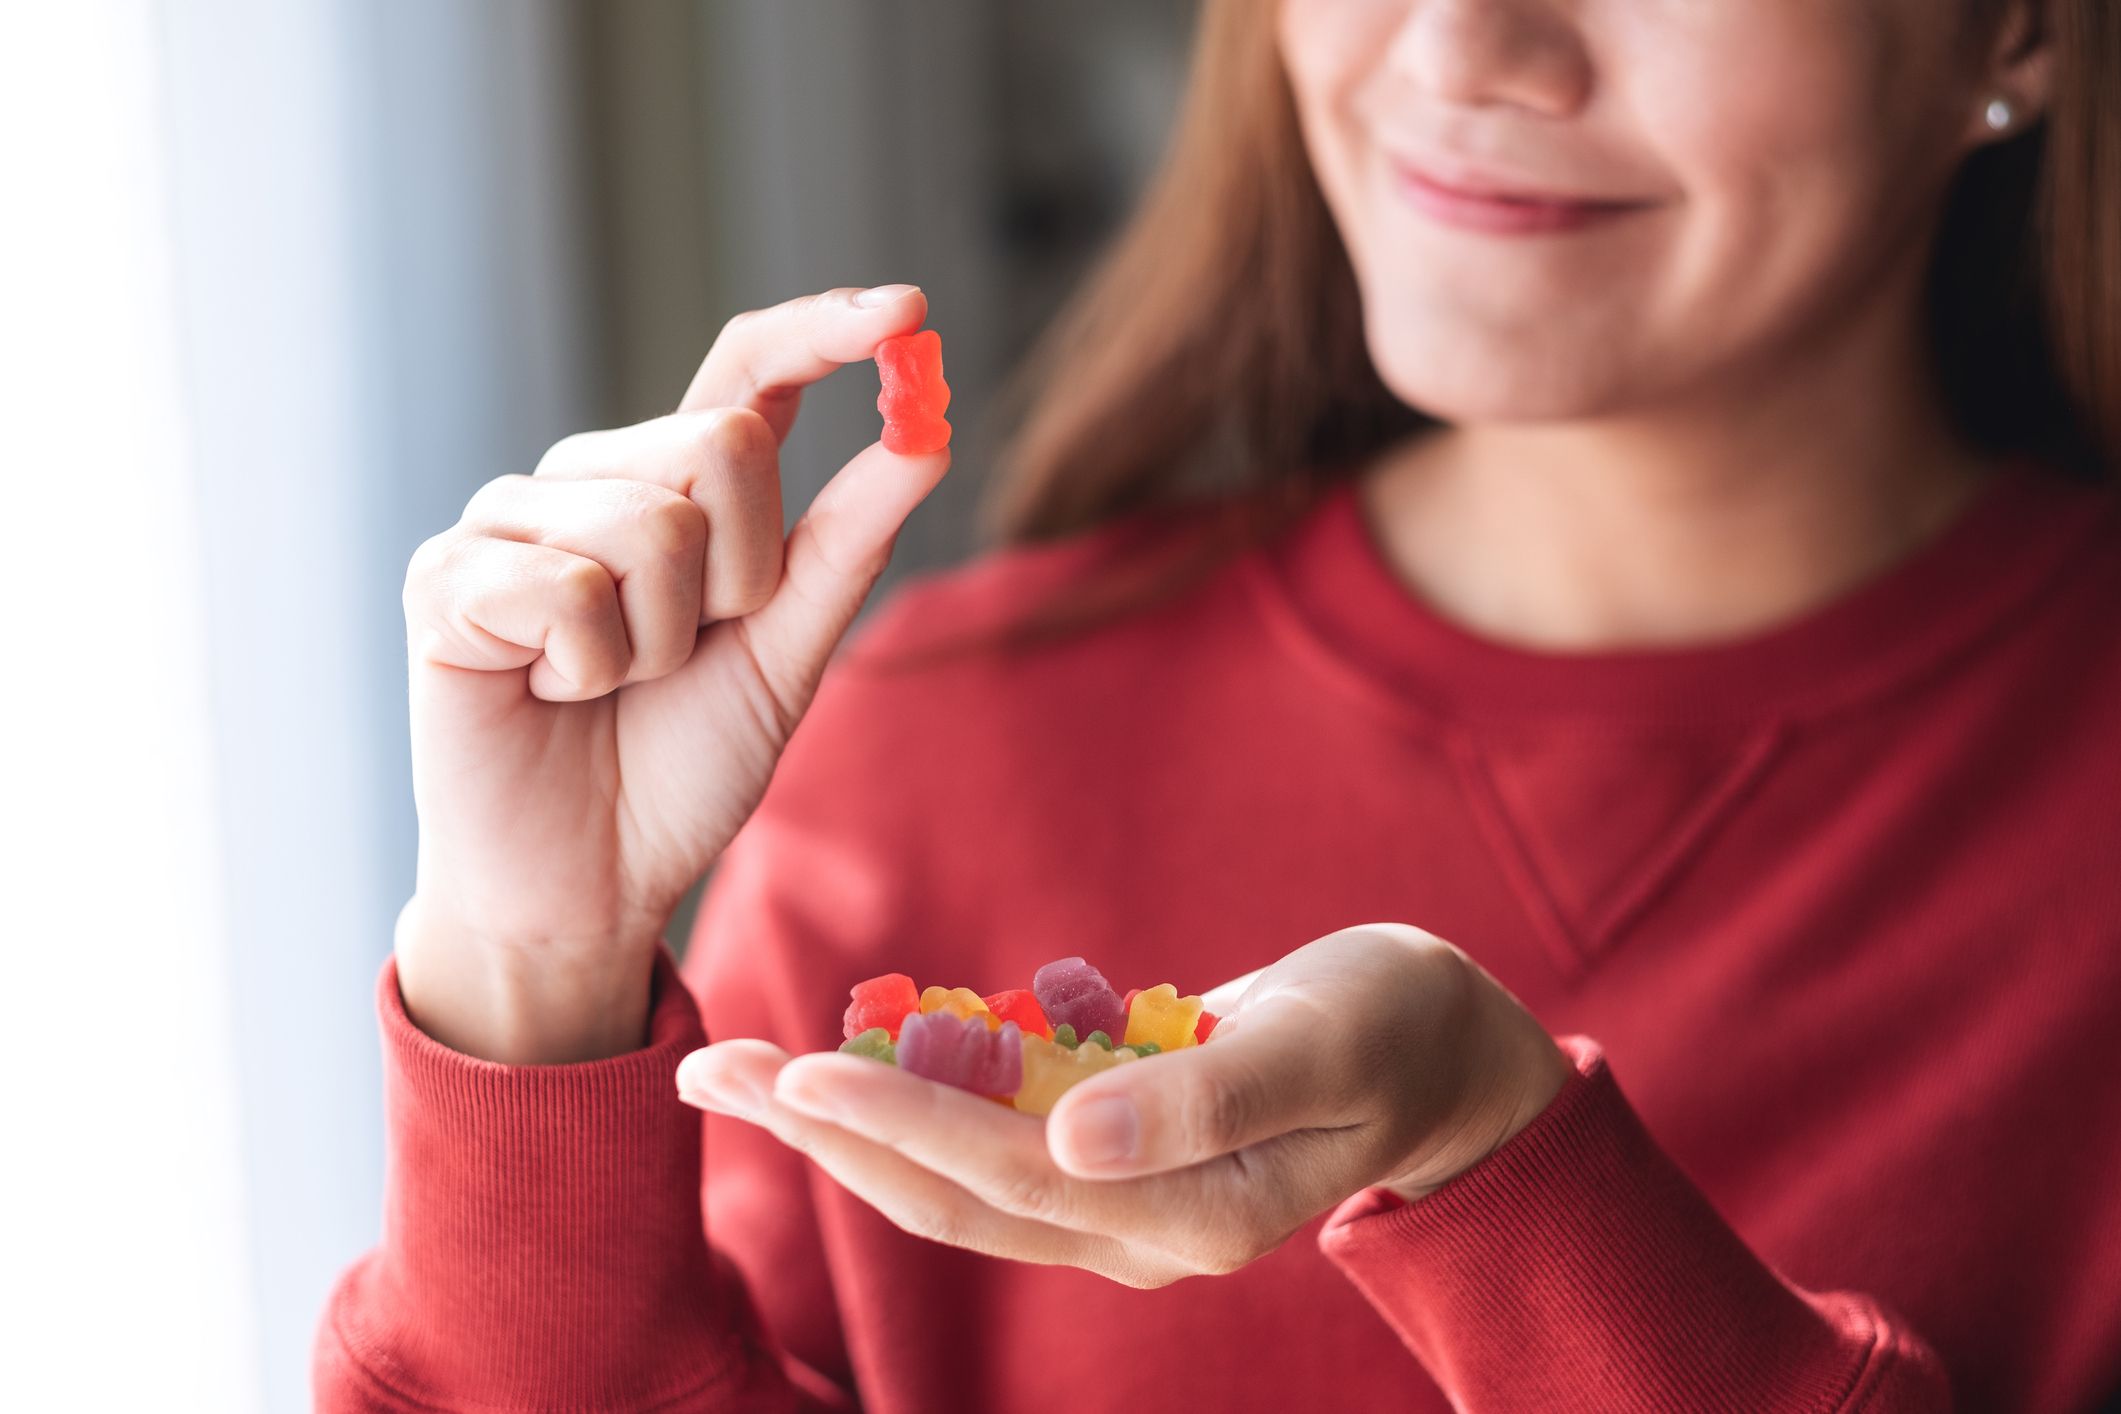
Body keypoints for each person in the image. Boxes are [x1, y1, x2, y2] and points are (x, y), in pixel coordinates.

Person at [317, 1, 2121, 1410]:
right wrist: (534, 975)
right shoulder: (938, 753)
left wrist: (1505, 1175)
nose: (1463, 50)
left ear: (2016, 29)